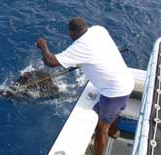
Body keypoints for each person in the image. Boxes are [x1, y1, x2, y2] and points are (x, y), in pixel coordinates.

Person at [36, 17, 134, 155]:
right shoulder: (99, 30)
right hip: (125, 81)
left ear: (72, 34)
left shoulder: (80, 46)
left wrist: (43, 45)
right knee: (113, 112)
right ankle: (114, 132)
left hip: (114, 91)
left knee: (101, 129)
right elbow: (94, 52)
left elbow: (51, 62)